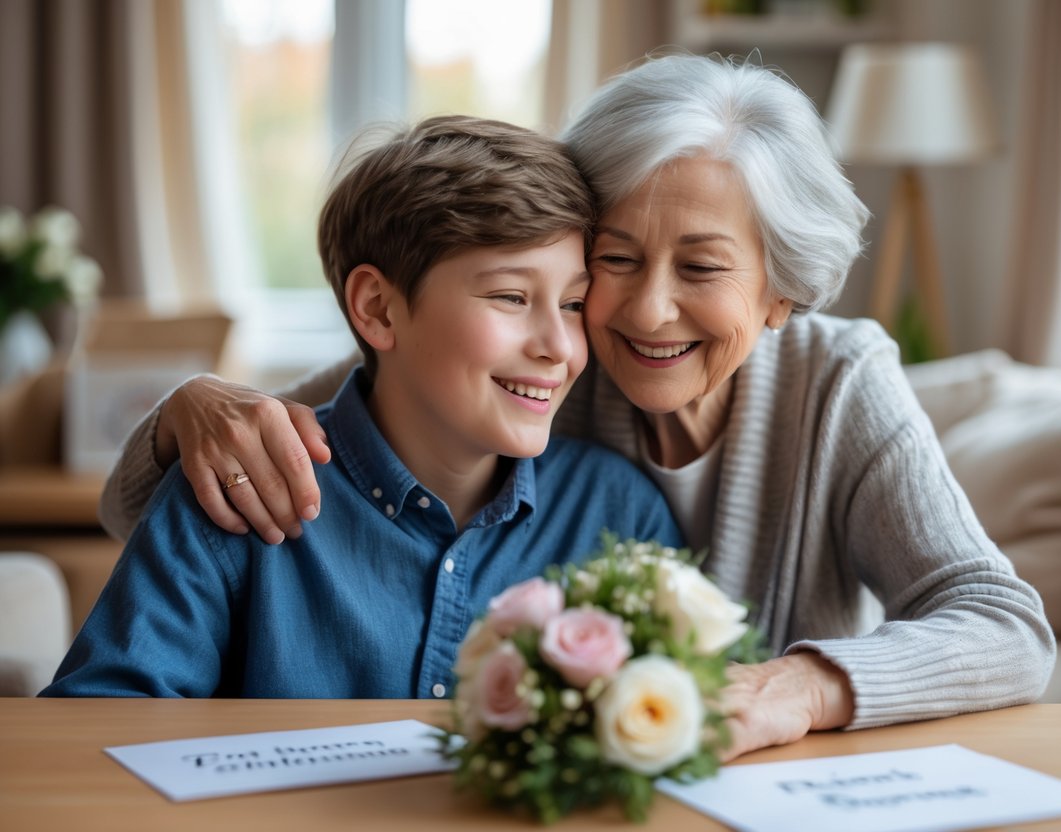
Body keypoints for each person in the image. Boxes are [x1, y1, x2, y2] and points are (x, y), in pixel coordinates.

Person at [97, 54, 1055, 753]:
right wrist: (189, 408)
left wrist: (795, 686)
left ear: (780, 294)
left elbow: (1003, 624)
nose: (642, 311)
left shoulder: (836, 381)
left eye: (702, 268)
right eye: (614, 258)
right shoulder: (557, 354)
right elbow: (343, 416)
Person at [42, 116, 682, 698]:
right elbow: (97, 727)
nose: (559, 347)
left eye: (573, 304)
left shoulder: (617, 514)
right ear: (377, 308)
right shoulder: (242, 486)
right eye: (512, 297)